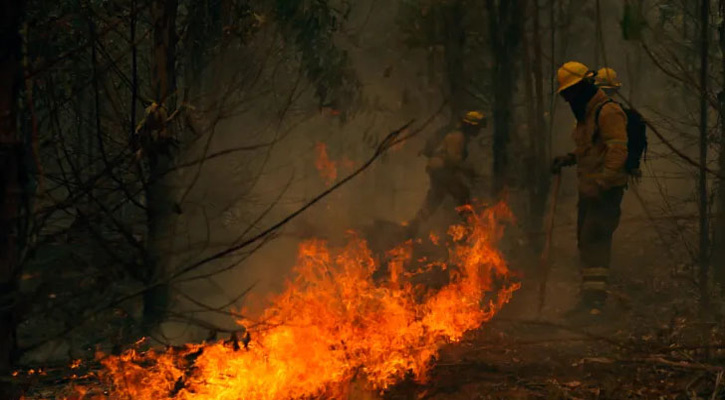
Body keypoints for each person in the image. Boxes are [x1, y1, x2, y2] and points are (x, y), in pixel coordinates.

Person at [551, 61, 628, 320]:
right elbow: (590, 148)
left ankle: (596, 305)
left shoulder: (608, 112)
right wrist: (569, 158)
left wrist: (603, 182)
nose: (567, 99)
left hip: (604, 192)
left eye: (570, 92)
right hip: (589, 190)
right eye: (565, 94)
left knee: (595, 241)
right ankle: (588, 301)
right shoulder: (587, 115)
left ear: (584, 86)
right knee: (585, 242)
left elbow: (618, 151)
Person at [407, 111, 486, 236]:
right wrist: (468, 171)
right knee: (462, 193)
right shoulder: (458, 136)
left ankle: (414, 226)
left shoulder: (457, 135)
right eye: (477, 128)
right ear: (471, 126)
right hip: (441, 169)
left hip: (438, 169)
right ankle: (468, 225)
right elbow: (453, 158)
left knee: (435, 199)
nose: (478, 131)